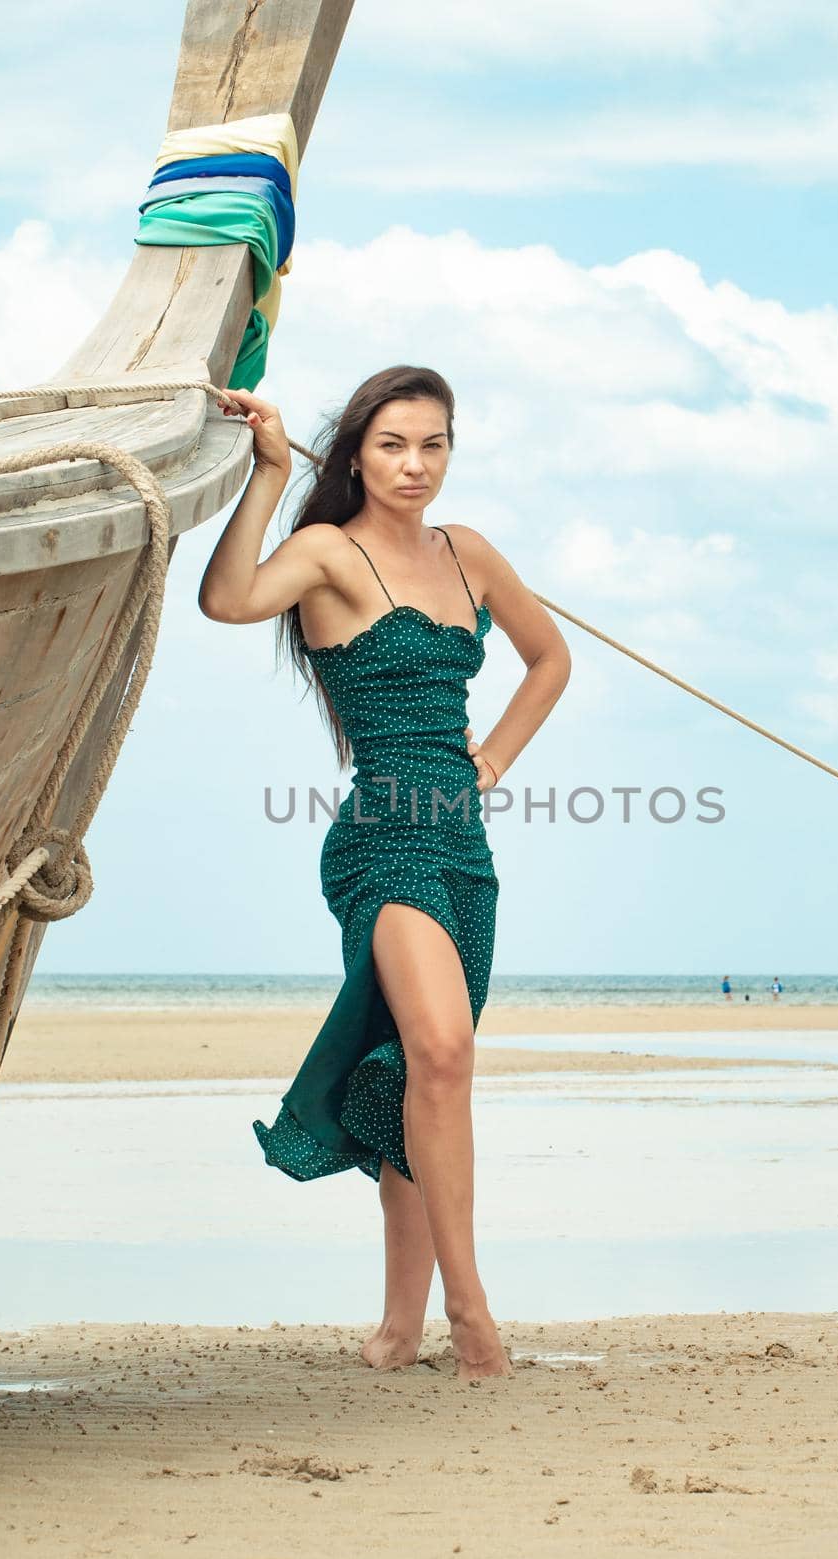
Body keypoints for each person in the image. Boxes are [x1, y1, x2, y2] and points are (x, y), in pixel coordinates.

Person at [199, 366, 571, 1382]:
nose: (416, 466)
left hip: (463, 848)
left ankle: (398, 1329)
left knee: (419, 1076)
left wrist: (491, 760)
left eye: (434, 445)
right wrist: (269, 473)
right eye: (394, 445)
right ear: (356, 452)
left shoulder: (470, 554)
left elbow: (550, 660)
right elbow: (228, 599)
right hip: (382, 839)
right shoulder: (329, 552)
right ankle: (471, 1314)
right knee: (444, 1054)